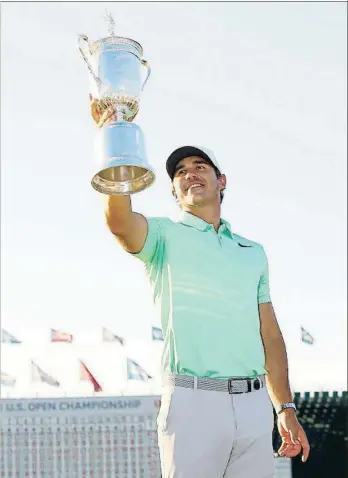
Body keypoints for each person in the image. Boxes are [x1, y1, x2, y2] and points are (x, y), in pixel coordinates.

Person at [91, 99, 310, 478]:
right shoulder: (163, 235)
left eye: (200, 167)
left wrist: (285, 409)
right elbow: (119, 221)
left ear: (220, 181)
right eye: (180, 172)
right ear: (174, 191)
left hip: (254, 405)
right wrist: (114, 138)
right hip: (193, 403)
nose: (190, 174)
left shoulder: (252, 252)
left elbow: (270, 336)